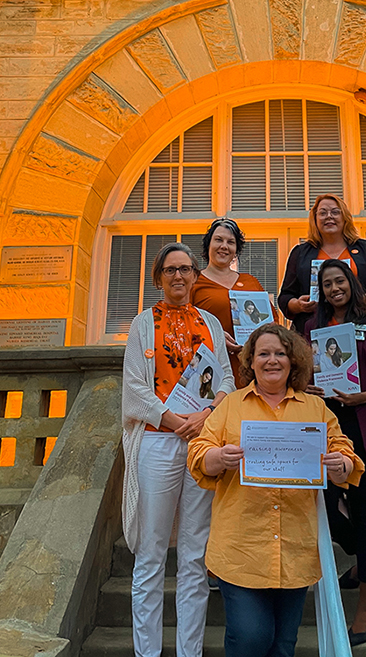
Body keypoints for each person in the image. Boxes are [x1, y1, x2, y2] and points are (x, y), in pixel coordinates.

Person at [187, 323, 364, 657]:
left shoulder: (315, 410)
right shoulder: (230, 406)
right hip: (241, 548)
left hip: (294, 548)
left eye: (280, 353)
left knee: (283, 646)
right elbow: (198, 454)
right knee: (250, 637)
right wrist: (218, 457)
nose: (272, 360)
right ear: (250, 361)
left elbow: (345, 452)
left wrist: (342, 463)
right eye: (263, 354)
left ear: (292, 361)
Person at [122, 242, 235, 657]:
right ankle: (147, 652)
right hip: (157, 441)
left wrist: (205, 417)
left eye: (186, 269)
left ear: (194, 274)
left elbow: (225, 380)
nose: (179, 277)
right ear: (158, 277)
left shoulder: (208, 321)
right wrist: (175, 421)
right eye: (170, 270)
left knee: (193, 556)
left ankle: (190, 652)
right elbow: (135, 389)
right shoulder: (141, 324)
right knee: (150, 555)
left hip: (201, 445)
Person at [305, 259, 366, 647]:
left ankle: (364, 606)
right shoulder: (311, 328)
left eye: (340, 281)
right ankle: (365, 558)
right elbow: (305, 377)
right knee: (327, 505)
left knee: (364, 509)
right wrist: (311, 388)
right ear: (321, 291)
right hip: (325, 425)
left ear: (352, 283)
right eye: (327, 284)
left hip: (364, 424)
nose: (334, 289)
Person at [278, 193, 366, 336]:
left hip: (359, 330)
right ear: (315, 219)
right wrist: (298, 305)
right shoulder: (300, 253)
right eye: (322, 213)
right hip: (311, 332)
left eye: (335, 212)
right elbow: (285, 297)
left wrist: (364, 299)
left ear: (345, 218)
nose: (329, 216)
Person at [191, 218, 277, 385]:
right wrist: (212, 335)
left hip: (251, 372)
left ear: (236, 249)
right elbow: (180, 324)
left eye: (231, 242)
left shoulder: (251, 282)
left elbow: (273, 324)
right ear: (208, 245)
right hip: (209, 371)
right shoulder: (193, 282)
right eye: (218, 240)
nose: (224, 246)